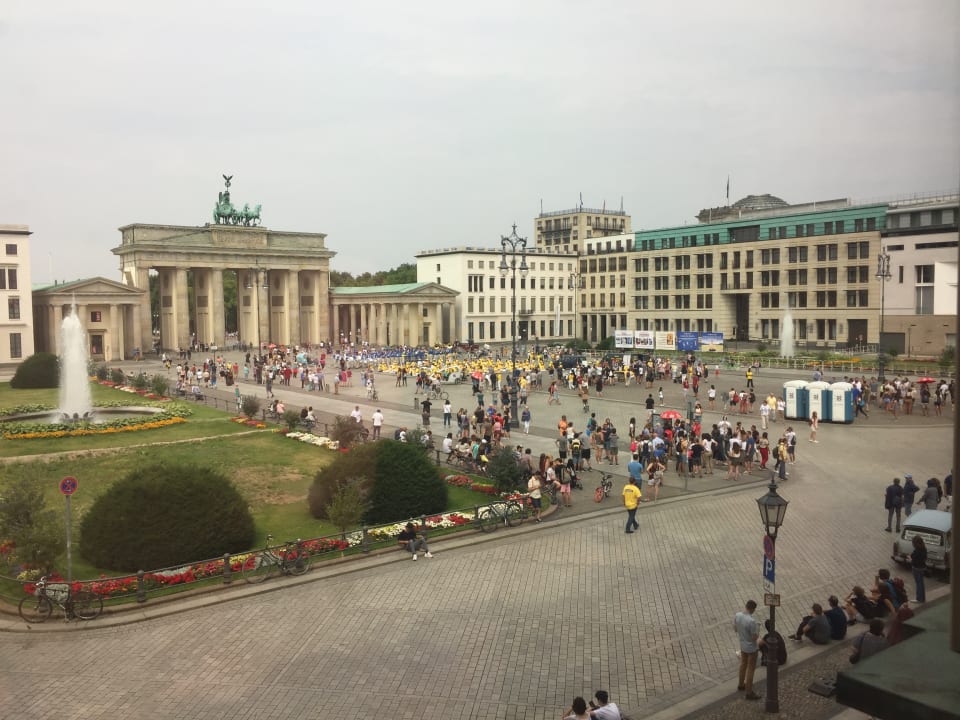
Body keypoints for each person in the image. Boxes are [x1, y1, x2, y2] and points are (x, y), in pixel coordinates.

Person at [734, 600, 761, 700]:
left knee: (743, 664)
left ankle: (741, 684)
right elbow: (754, 637)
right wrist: (758, 629)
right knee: (750, 669)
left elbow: (735, 629)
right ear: (753, 609)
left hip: (742, 645)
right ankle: (749, 692)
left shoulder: (737, 615)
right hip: (751, 648)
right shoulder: (751, 621)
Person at [910, 535, 927, 603]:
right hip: (922, 567)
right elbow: (924, 558)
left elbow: (913, 558)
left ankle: (919, 598)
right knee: (921, 583)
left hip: (916, 568)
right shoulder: (924, 549)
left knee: (918, 583)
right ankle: (922, 598)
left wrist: (911, 558)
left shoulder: (917, 550)